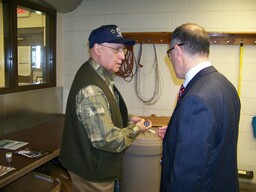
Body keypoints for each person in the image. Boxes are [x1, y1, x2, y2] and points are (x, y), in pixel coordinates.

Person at [59, 24, 152, 192]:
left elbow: (103, 109)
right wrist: (136, 128)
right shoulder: (92, 88)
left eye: (123, 50)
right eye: (116, 50)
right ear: (98, 49)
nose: (122, 56)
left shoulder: (99, 75)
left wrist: (128, 118)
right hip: (92, 175)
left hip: (98, 168)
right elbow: (107, 139)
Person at [159, 23, 241, 192]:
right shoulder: (226, 85)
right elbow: (214, 140)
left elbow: (187, 176)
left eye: (170, 54)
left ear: (178, 51)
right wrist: (177, 134)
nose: (171, 59)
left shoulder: (196, 99)